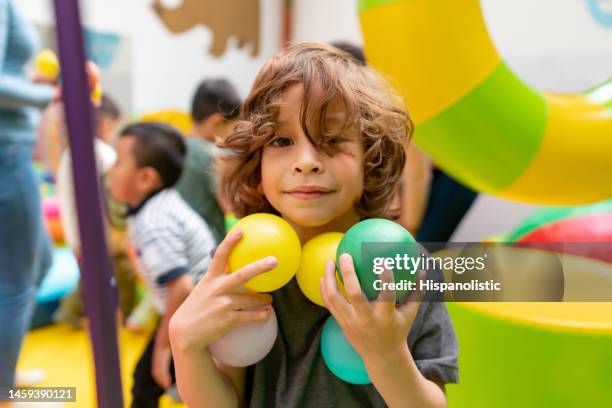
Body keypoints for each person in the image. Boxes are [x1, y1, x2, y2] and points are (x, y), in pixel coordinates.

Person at [169, 43, 458, 407]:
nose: (306, 161)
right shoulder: (242, 263)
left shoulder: (403, 267)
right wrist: (184, 345)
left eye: (333, 140)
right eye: (282, 140)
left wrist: (388, 358)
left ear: (371, 160)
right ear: (257, 165)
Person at [108, 122, 216, 407]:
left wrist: (163, 348)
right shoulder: (155, 205)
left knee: (146, 383)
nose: (110, 169)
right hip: (193, 307)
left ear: (145, 179)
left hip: (196, 312)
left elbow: (181, 284)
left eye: (118, 162)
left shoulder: (154, 222)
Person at [331, 41, 477, 241]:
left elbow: (417, 173)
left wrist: (409, 225)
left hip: (454, 174)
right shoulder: (348, 108)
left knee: (418, 246)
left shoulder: (390, 102)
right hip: (427, 174)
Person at [0, 0, 56, 402]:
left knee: (41, 258)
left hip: (12, 148)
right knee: (16, 282)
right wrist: (51, 94)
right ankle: (3, 388)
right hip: (7, 149)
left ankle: (5, 369)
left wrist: (32, 83)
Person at [54, 93, 137, 328]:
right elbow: (115, 200)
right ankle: (128, 317)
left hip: (76, 234)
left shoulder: (69, 154)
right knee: (123, 275)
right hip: (103, 236)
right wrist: (124, 229)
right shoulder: (102, 153)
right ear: (106, 124)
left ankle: (68, 312)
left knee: (88, 278)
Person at [175, 78, 241, 243]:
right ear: (216, 121)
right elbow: (231, 206)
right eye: (234, 127)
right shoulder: (210, 154)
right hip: (206, 243)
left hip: (180, 240)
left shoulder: (176, 147)